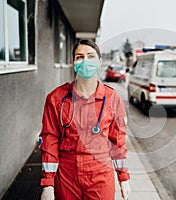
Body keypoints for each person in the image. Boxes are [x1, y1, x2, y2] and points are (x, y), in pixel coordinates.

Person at [39, 39, 131, 200]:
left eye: (91, 56)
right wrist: (48, 183)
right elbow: (50, 139)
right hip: (67, 174)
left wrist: (123, 178)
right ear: (73, 62)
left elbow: (117, 142)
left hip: (100, 174)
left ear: (99, 62)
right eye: (80, 57)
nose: (85, 61)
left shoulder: (112, 99)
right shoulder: (56, 98)